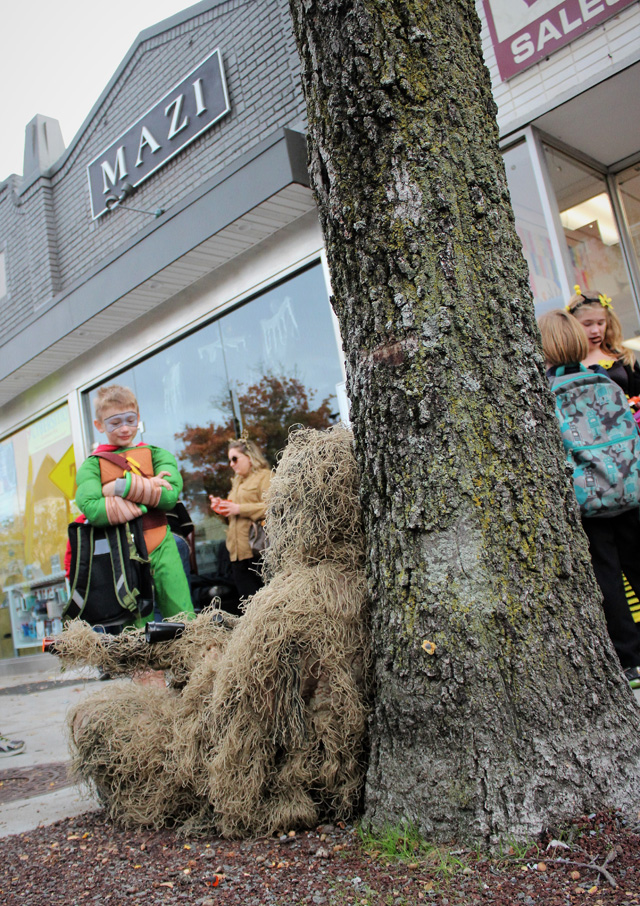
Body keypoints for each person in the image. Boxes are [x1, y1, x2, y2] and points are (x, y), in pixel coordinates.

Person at [538, 309, 640, 688]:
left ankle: (631, 660)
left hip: (588, 502)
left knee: (608, 579)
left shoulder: (545, 396)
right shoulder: (608, 385)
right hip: (629, 493)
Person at [75, 385, 195, 623]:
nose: (125, 428)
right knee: (134, 625)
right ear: (99, 425)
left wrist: (117, 488)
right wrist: (148, 490)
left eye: (130, 419)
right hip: (121, 552)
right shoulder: (91, 466)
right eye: (115, 422)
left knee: (184, 619)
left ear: (138, 418)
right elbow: (91, 507)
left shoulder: (156, 454)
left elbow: (169, 496)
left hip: (162, 543)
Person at [209, 437, 271, 600]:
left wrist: (238, 508)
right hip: (237, 554)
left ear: (250, 457)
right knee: (248, 604)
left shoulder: (265, 476)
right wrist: (221, 509)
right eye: (229, 460)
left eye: (235, 458)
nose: (231, 464)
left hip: (258, 552)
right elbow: (234, 516)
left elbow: (273, 507)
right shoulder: (237, 483)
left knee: (265, 602)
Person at [566, 285, 640, 395]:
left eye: (600, 323)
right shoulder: (566, 363)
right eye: (587, 324)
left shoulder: (622, 355)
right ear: (572, 324)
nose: (595, 330)